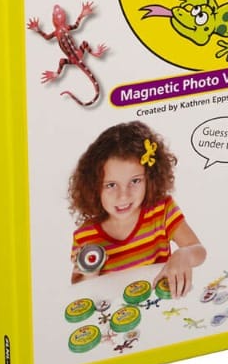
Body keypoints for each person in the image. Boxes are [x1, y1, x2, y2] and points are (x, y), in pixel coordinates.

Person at [68, 122, 205, 296]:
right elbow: (79, 292)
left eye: (135, 181)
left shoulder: (161, 211)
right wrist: (90, 274)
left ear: (150, 178)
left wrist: (183, 254)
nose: (123, 196)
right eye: (111, 185)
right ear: (93, 187)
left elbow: (198, 250)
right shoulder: (85, 237)